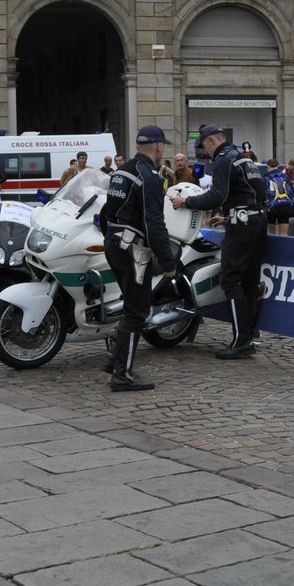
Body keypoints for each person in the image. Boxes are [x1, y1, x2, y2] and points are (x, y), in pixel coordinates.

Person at [171, 123, 267, 358]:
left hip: (243, 227)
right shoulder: (243, 158)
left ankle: (240, 342)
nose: (205, 152)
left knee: (231, 280)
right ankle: (249, 334)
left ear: (213, 141)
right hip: (256, 222)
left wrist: (185, 203)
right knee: (249, 281)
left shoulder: (223, 159)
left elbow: (216, 195)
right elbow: (253, 195)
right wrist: (227, 218)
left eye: (204, 146)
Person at [99, 126, 178, 391]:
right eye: (163, 146)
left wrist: (109, 237)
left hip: (114, 243)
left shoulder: (121, 171)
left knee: (133, 303)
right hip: (132, 250)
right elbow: (155, 224)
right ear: (157, 147)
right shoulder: (150, 178)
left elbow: (105, 210)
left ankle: (115, 358)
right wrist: (168, 263)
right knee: (137, 310)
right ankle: (123, 375)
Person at [263, 159, 294, 235]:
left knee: (271, 233)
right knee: (284, 235)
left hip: (271, 206)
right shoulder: (285, 176)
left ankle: (273, 246)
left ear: (268, 166)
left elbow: (262, 193)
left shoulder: (265, 177)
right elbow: (291, 191)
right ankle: (283, 246)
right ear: (278, 166)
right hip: (285, 205)